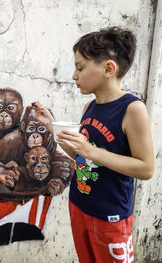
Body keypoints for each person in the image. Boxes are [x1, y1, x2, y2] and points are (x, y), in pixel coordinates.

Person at [55, 27, 155, 262]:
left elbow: (146, 168)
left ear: (108, 69)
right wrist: (66, 141)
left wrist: (90, 150)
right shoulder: (88, 108)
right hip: (79, 204)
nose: (74, 75)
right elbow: (87, 159)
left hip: (111, 215)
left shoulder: (132, 109)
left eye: (80, 68)